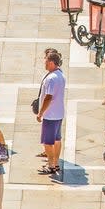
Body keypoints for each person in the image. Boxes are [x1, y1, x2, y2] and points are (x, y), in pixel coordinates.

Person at [36, 49, 66, 178]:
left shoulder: (51, 78)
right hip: (59, 113)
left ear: (52, 62)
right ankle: (56, 162)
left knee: (48, 142)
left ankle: (51, 166)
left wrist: (40, 113)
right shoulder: (61, 75)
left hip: (50, 115)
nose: (45, 63)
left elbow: (48, 97)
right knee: (57, 139)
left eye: (47, 61)